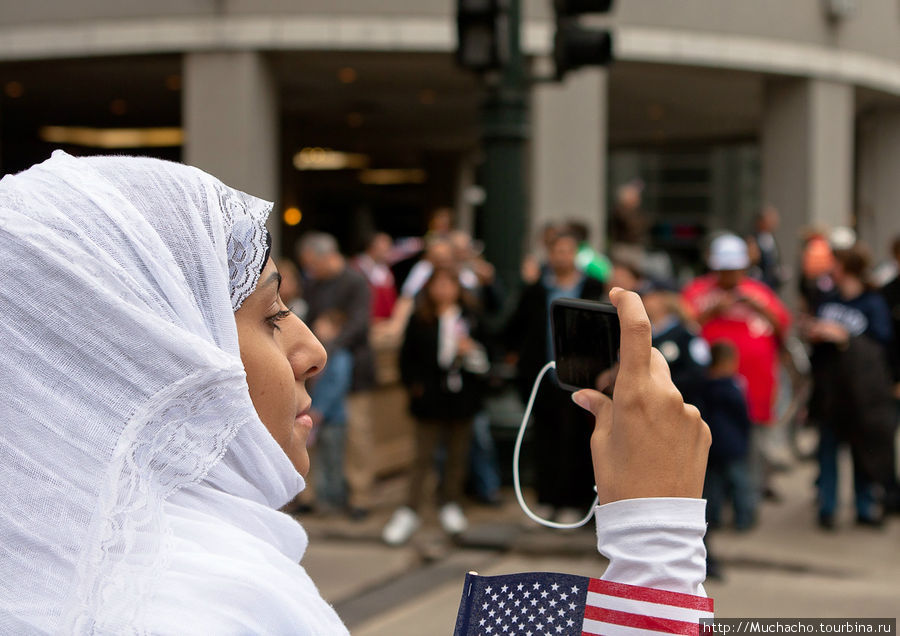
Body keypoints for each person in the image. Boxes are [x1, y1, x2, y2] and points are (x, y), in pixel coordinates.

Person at [1, 152, 712, 632]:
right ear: (147, 355)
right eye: (272, 315)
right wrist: (658, 541)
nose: (309, 349)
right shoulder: (199, 605)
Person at [383, 267, 490, 545]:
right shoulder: (421, 319)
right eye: (438, 285)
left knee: (457, 454)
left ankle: (450, 503)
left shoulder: (471, 317)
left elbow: (488, 357)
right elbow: (407, 359)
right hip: (429, 398)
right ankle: (410, 509)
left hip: (462, 397)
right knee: (422, 456)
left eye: (449, 284)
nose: (443, 290)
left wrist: (471, 352)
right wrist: (416, 387)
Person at [506, 230, 607, 522]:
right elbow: (516, 328)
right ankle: (548, 499)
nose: (561, 256)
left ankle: (575, 503)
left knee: (578, 440)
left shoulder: (592, 286)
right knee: (546, 439)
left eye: (567, 251)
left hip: (580, 378)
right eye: (556, 251)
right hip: (544, 378)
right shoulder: (536, 289)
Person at [682, 233, 791, 502]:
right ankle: (714, 501)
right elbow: (683, 326)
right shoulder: (698, 291)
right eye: (724, 270)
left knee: (752, 447)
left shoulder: (758, 291)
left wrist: (760, 307)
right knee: (710, 444)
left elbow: (782, 329)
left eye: (735, 270)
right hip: (710, 390)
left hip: (754, 388)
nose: (730, 276)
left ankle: (748, 499)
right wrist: (713, 310)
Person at [801, 242, 895, 529]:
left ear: (847, 268)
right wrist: (814, 331)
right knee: (827, 447)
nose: (830, 269)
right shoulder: (827, 297)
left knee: (861, 448)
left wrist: (845, 338)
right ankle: (827, 508)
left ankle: (864, 506)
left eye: (835, 264)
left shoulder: (872, 302)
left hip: (860, 390)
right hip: (829, 387)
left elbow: (883, 343)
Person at [298, 232, 376, 520]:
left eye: (312, 263)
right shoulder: (313, 284)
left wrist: (329, 346)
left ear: (327, 256)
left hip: (353, 369)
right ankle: (311, 494)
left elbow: (358, 325)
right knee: (312, 433)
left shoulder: (356, 282)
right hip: (318, 373)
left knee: (357, 436)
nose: (310, 269)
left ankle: (360, 496)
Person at [702, 341, 754, 531]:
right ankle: (743, 517)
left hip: (713, 446)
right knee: (739, 483)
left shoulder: (704, 386)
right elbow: (743, 415)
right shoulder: (733, 387)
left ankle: (713, 518)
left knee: (713, 486)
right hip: (733, 445)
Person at [307, 309, 354, 512]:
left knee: (334, 460)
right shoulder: (315, 352)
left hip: (333, 417)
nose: (319, 328)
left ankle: (336, 499)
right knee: (318, 461)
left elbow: (337, 385)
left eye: (325, 324)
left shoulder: (340, 355)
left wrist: (320, 409)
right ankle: (321, 500)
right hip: (316, 415)